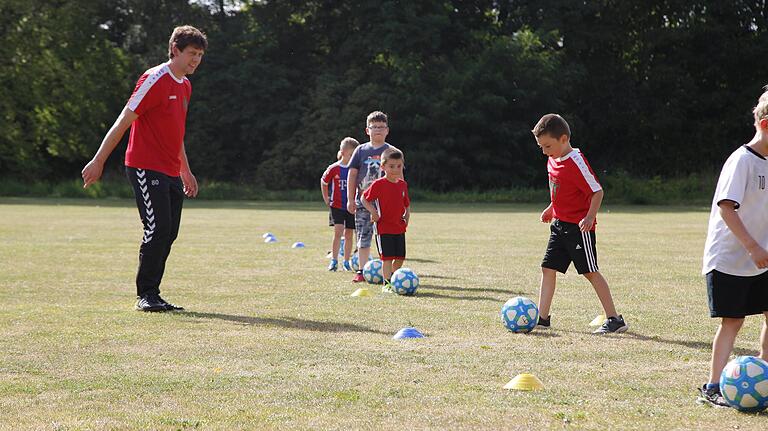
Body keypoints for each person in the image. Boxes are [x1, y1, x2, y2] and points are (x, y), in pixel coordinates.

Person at [81, 25, 207, 312]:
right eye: (191, 53)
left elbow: (176, 134)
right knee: (157, 227)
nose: (195, 60)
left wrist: (185, 170)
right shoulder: (154, 79)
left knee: (169, 232)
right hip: (144, 166)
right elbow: (123, 120)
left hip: (171, 170)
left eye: (199, 55)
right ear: (175, 50)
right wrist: (99, 160)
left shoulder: (185, 85)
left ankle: (154, 293)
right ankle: (145, 294)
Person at [698, 88, 768, 407]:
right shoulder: (742, 160)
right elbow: (728, 208)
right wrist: (753, 247)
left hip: (762, 258)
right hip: (729, 258)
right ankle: (713, 386)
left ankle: (763, 377)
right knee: (733, 321)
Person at [532, 113, 628, 334]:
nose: (545, 152)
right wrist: (552, 207)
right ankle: (543, 319)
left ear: (563, 139)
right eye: (541, 147)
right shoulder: (552, 159)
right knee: (548, 268)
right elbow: (561, 191)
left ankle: (614, 319)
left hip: (578, 228)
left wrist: (589, 217)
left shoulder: (576, 162)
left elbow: (597, 191)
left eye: (547, 146)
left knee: (590, 272)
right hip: (559, 225)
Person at [346, 111, 399, 282]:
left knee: (388, 236)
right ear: (367, 130)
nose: (378, 129)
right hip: (364, 201)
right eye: (374, 126)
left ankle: (389, 273)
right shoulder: (361, 150)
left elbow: (399, 177)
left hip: (386, 203)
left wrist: (401, 202)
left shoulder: (392, 151)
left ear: (387, 130)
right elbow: (352, 175)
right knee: (363, 235)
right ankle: (361, 270)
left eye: (381, 127)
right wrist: (349, 199)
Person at [361, 148, 410, 290]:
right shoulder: (378, 184)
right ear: (383, 167)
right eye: (391, 166)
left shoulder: (402, 185)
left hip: (399, 227)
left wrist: (407, 215)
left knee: (400, 258)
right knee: (387, 258)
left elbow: (406, 204)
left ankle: (394, 278)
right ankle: (387, 285)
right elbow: (364, 198)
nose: (395, 169)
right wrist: (373, 211)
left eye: (399, 166)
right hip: (383, 228)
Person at [321, 137, 359, 271]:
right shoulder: (334, 168)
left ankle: (347, 262)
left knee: (349, 234)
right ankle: (334, 260)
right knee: (338, 233)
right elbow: (324, 181)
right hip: (337, 205)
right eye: (351, 154)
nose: (353, 158)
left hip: (351, 206)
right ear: (343, 152)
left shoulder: (355, 169)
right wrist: (326, 198)